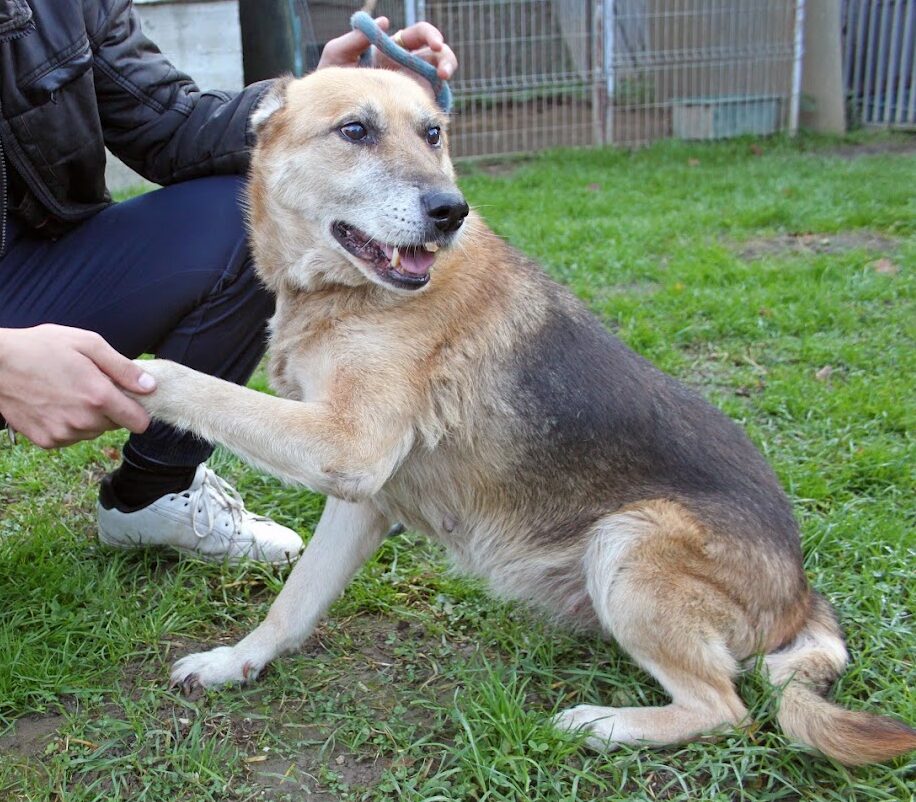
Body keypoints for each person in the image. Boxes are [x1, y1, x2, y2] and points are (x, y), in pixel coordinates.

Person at [0, 0, 456, 563]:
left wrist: (315, 102)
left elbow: (169, 122)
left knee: (244, 215)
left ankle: (153, 493)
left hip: (32, 267)